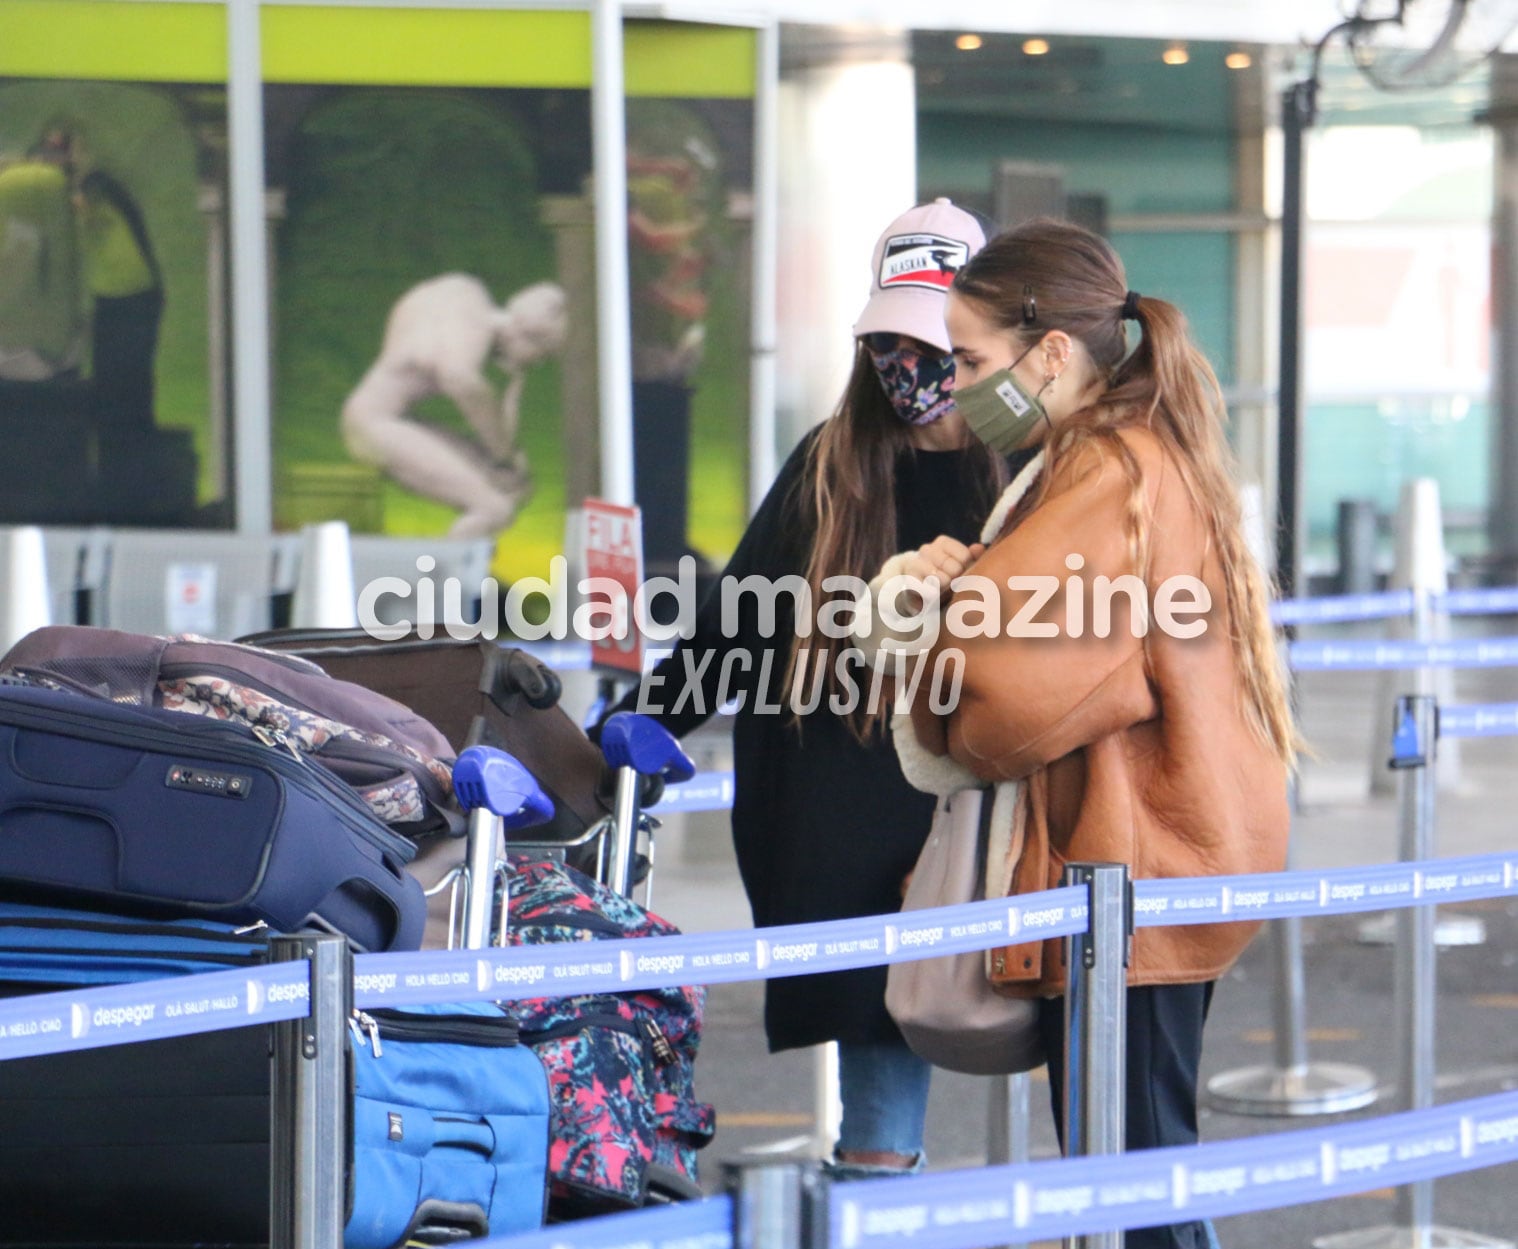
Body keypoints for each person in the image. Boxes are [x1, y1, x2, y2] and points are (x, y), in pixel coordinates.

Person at [875, 218, 1293, 1248]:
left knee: (1134, 1194)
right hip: (1158, 865)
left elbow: (1010, 695)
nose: (959, 385)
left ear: (1050, 352)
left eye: (972, 360)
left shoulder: (1105, 467)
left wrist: (926, 609)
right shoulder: (1132, 452)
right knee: (1139, 1178)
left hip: (1130, 881)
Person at [598, 199, 1013, 1179]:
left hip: (979, 811)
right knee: (878, 1077)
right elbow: (729, 631)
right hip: (840, 821)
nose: (911, 368)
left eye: (935, 341)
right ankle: (873, 1198)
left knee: (1056, 1048)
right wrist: (624, 738)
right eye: (891, 342)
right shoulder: (832, 465)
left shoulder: (1032, 472)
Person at [340, 273, 568, 539]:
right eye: (544, 355)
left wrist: (504, 456)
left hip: (389, 420)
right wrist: (504, 451)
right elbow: (459, 378)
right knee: (493, 509)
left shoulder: (463, 292)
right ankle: (443, 579)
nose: (536, 364)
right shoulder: (474, 323)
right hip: (376, 426)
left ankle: (455, 568)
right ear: (528, 336)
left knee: (508, 486)